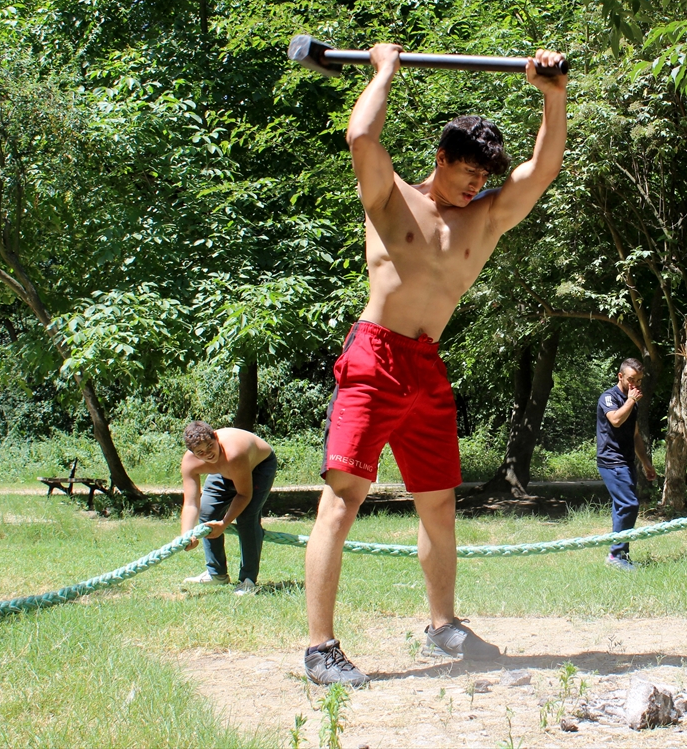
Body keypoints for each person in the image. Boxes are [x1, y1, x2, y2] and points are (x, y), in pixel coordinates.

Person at [302, 43, 568, 687]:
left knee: (440, 506)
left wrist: (552, 96)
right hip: (374, 354)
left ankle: (443, 627)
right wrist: (384, 70)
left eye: (484, 175)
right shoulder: (391, 201)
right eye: (468, 171)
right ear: (441, 158)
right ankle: (319, 647)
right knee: (343, 498)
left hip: (427, 367)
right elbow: (361, 135)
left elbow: (542, 169)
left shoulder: (486, 218)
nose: (477, 183)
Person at [179, 421, 277, 595]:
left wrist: (224, 523)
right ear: (193, 453)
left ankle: (248, 580)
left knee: (247, 517)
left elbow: (244, 495)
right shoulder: (190, 463)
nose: (208, 453)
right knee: (207, 511)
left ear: (216, 437)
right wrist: (187, 535)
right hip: (223, 469)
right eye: (200, 452)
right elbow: (191, 503)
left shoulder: (234, 453)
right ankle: (217, 574)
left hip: (258, 466)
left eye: (210, 446)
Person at [595, 358, 658, 571]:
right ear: (620, 376)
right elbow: (615, 420)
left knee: (621, 508)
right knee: (629, 504)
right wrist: (630, 401)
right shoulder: (609, 398)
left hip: (627, 461)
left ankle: (622, 555)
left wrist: (646, 464)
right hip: (611, 461)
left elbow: (635, 434)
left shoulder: (634, 401)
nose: (636, 385)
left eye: (639, 380)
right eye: (632, 379)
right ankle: (614, 556)